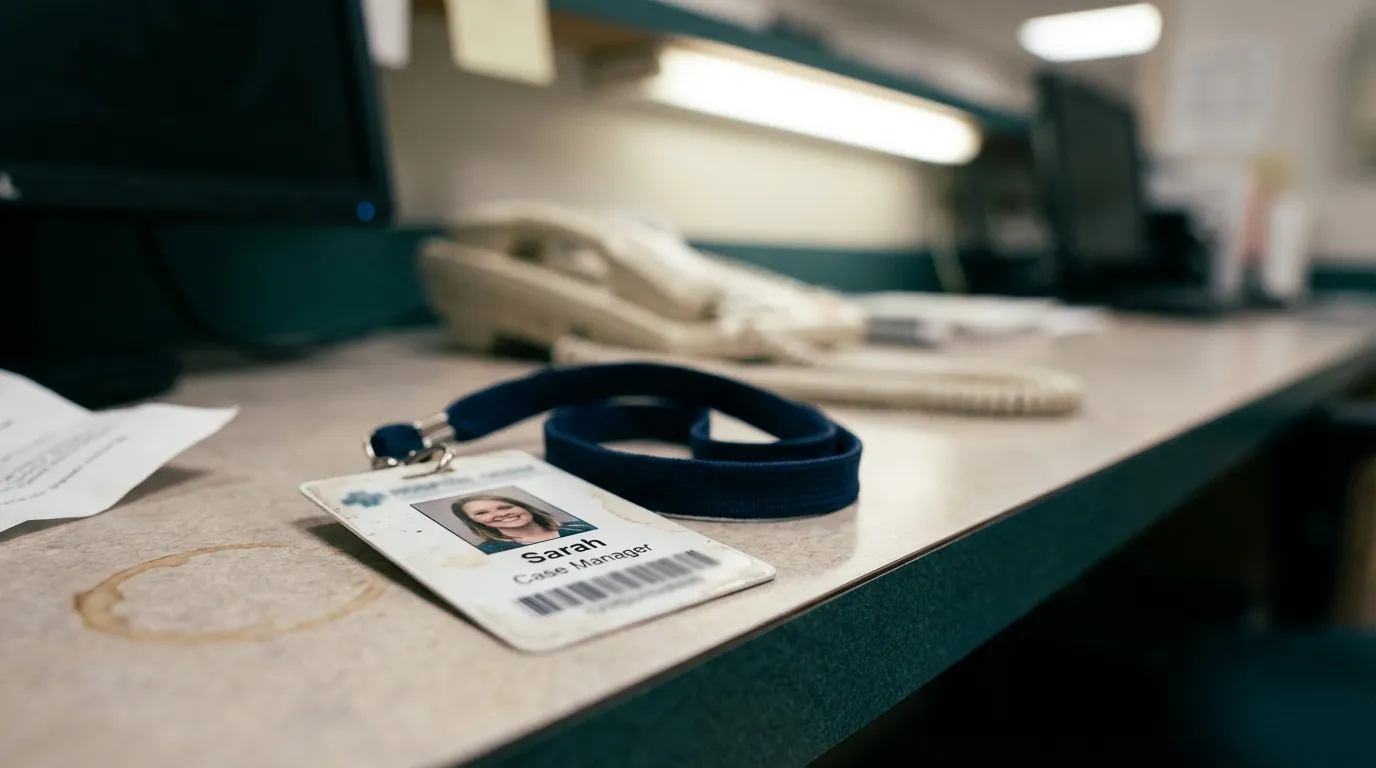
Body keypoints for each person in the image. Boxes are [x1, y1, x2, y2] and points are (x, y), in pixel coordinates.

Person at [452, 494, 595, 554]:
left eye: (505, 507)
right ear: (473, 522)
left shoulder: (582, 527)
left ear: (524, 507)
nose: (501, 514)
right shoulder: (488, 552)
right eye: (482, 513)